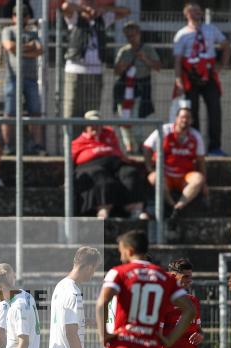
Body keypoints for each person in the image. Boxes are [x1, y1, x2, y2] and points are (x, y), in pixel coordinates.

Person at [173, 2, 230, 156]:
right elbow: (178, 60)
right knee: (192, 112)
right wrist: (178, 79)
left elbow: (225, 45)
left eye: (198, 11)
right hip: (190, 75)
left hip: (209, 75)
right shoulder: (181, 34)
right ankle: (196, 145)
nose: (196, 13)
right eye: (192, 11)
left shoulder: (211, 29)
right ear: (186, 14)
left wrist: (221, 65)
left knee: (214, 110)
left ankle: (215, 146)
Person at [74, 110, 149, 219]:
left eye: (98, 124)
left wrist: (126, 160)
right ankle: (103, 209)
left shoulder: (109, 134)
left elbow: (118, 151)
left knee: (129, 172)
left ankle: (135, 209)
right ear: (86, 126)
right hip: (91, 166)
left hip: (114, 164)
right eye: (92, 124)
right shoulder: (78, 142)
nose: (96, 126)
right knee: (100, 175)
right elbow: (72, 161)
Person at [142, 107, 206, 219]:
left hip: (185, 175)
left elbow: (201, 160)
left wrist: (205, 182)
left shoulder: (196, 136)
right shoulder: (164, 131)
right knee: (154, 177)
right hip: (165, 173)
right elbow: (147, 147)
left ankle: (179, 205)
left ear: (192, 121)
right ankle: (172, 204)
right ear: (176, 119)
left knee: (199, 179)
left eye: (188, 118)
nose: (185, 120)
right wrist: (149, 168)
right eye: (182, 117)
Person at [0, 6, 45, 155]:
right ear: (13, 16)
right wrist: (28, 47)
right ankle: (8, 145)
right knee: (9, 112)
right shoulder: (8, 31)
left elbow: (39, 50)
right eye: (17, 15)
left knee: (35, 112)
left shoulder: (32, 32)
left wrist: (19, 50)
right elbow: (9, 46)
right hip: (13, 77)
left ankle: (37, 145)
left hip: (31, 79)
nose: (21, 18)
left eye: (24, 15)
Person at [114, 21, 160, 152]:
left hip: (141, 87)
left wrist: (145, 59)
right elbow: (116, 72)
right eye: (128, 36)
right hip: (125, 89)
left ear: (139, 34)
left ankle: (139, 145)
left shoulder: (148, 49)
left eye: (133, 35)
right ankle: (128, 146)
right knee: (124, 117)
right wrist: (122, 66)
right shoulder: (124, 51)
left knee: (137, 117)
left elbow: (157, 66)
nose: (131, 38)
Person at [61, 1, 109, 119]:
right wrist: (84, 9)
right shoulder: (75, 18)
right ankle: (71, 136)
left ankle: (90, 137)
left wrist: (102, 8)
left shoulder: (101, 20)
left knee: (92, 112)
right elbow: (65, 6)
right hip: (75, 70)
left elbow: (125, 11)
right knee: (72, 110)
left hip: (96, 71)